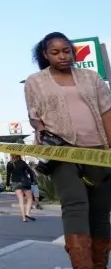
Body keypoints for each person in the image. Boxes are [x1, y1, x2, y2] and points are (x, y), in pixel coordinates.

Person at [24, 32, 111, 269]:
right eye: (55, 52)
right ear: (45, 55)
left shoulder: (91, 78)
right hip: (61, 151)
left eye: (66, 51)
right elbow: (34, 115)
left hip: (97, 150)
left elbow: (106, 112)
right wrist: (39, 127)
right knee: (75, 204)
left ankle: (100, 264)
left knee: (101, 210)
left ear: (73, 52)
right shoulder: (35, 81)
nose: (62, 56)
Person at [5, 154, 36, 222]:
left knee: (20, 200)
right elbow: (30, 171)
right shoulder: (22, 163)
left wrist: (7, 184)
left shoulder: (9, 164)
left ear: (11, 156)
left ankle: (23, 218)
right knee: (30, 198)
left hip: (15, 183)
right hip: (24, 182)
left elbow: (8, 175)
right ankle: (27, 213)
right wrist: (32, 180)